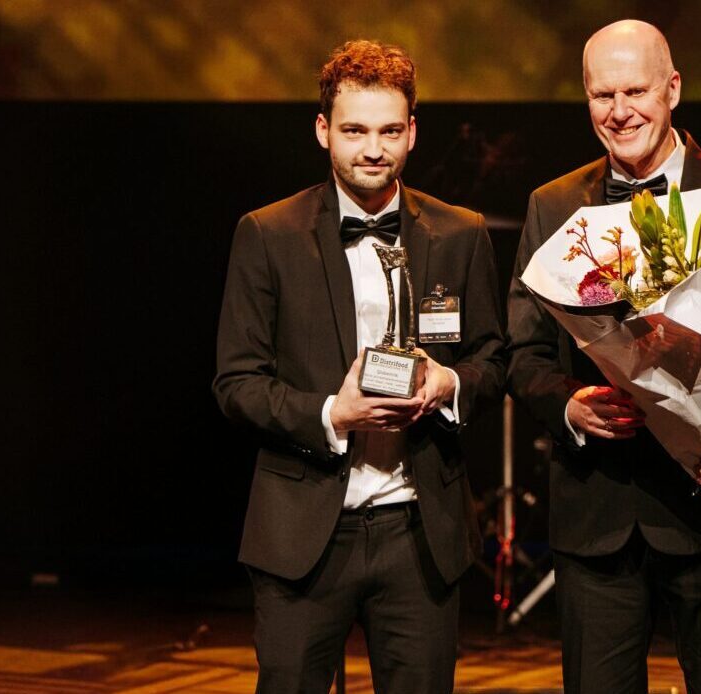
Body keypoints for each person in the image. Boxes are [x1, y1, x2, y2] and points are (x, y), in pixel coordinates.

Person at [505, 20, 701, 694]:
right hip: (599, 520)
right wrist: (567, 404)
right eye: (601, 96)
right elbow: (523, 351)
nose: (619, 112)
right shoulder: (553, 205)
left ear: (673, 88)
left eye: (636, 91)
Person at [213, 39, 507, 694]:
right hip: (302, 534)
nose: (372, 148)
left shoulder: (459, 233)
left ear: (412, 133)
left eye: (388, 131)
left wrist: (449, 383)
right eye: (354, 131)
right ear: (323, 131)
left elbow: (493, 357)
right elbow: (236, 383)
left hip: (419, 531)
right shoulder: (267, 234)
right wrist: (330, 414)